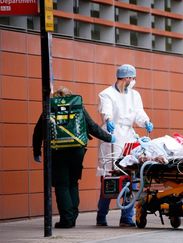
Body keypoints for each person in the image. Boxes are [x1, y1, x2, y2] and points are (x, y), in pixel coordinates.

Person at [32, 87, 115, 229]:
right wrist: (110, 138)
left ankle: (67, 219)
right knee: (73, 182)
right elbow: (92, 127)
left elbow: (38, 131)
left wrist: (36, 151)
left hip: (57, 151)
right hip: (77, 151)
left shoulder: (50, 108)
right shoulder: (78, 108)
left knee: (61, 185)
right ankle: (73, 216)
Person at [96, 64, 154, 227]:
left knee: (131, 176)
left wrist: (146, 122)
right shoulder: (106, 94)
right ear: (126, 78)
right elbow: (105, 110)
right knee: (109, 177)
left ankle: (126, 217)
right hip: (112, 138)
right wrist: (108, 121)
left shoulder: (135, 95)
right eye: (132, 78)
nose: (133, 81)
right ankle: (101, 215)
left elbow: (139, 113)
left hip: (128, 136)